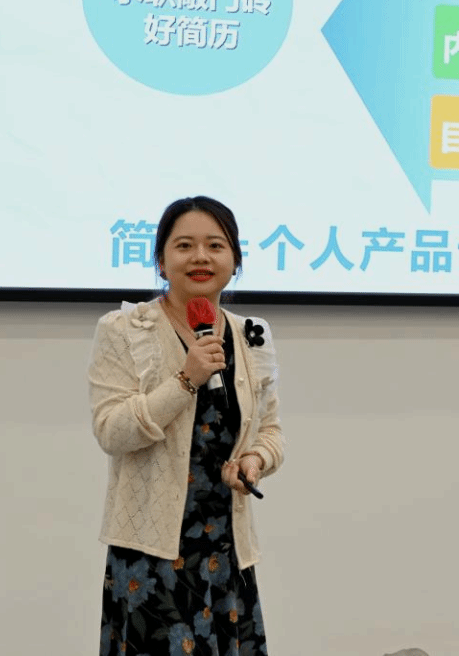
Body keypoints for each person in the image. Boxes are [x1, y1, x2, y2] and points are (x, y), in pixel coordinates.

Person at [88, 195, 284, 655]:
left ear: (235, 260)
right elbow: (111, 430)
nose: (200, 257)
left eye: (215, 245)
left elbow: (270, 431)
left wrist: (255, 461)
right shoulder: (124, 328)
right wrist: (185, 379)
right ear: (161, 260)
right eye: (184, 246)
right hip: (151, 554)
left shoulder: (252, 335)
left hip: (226, 550)